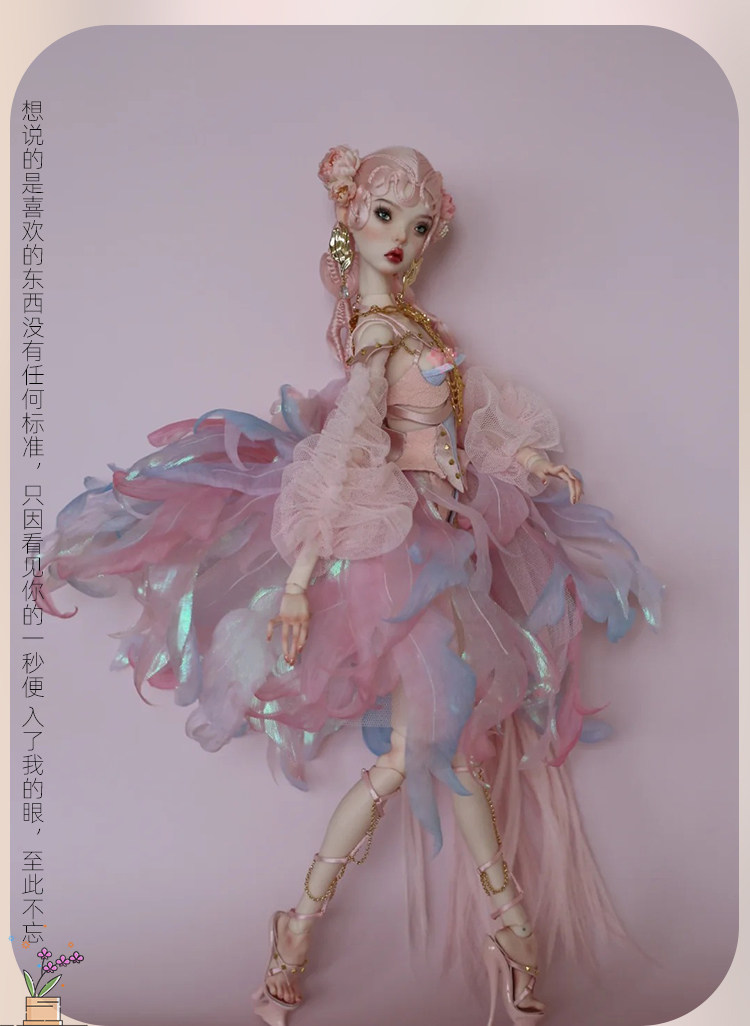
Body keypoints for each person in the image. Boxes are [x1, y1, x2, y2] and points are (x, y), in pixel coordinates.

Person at [39, 146, 661, 1026]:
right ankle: (487, 931)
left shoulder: (413, 326)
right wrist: (298, 580)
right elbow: (344, 453)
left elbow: (465, 421)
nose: (400, 238)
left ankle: (318, 933)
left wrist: (527, 462)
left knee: (432, 751)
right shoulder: (377, 336)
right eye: (384, 217)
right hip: (396, 559)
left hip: (449, 546)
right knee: (431, 750)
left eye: (419, 225)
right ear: (350, 220)